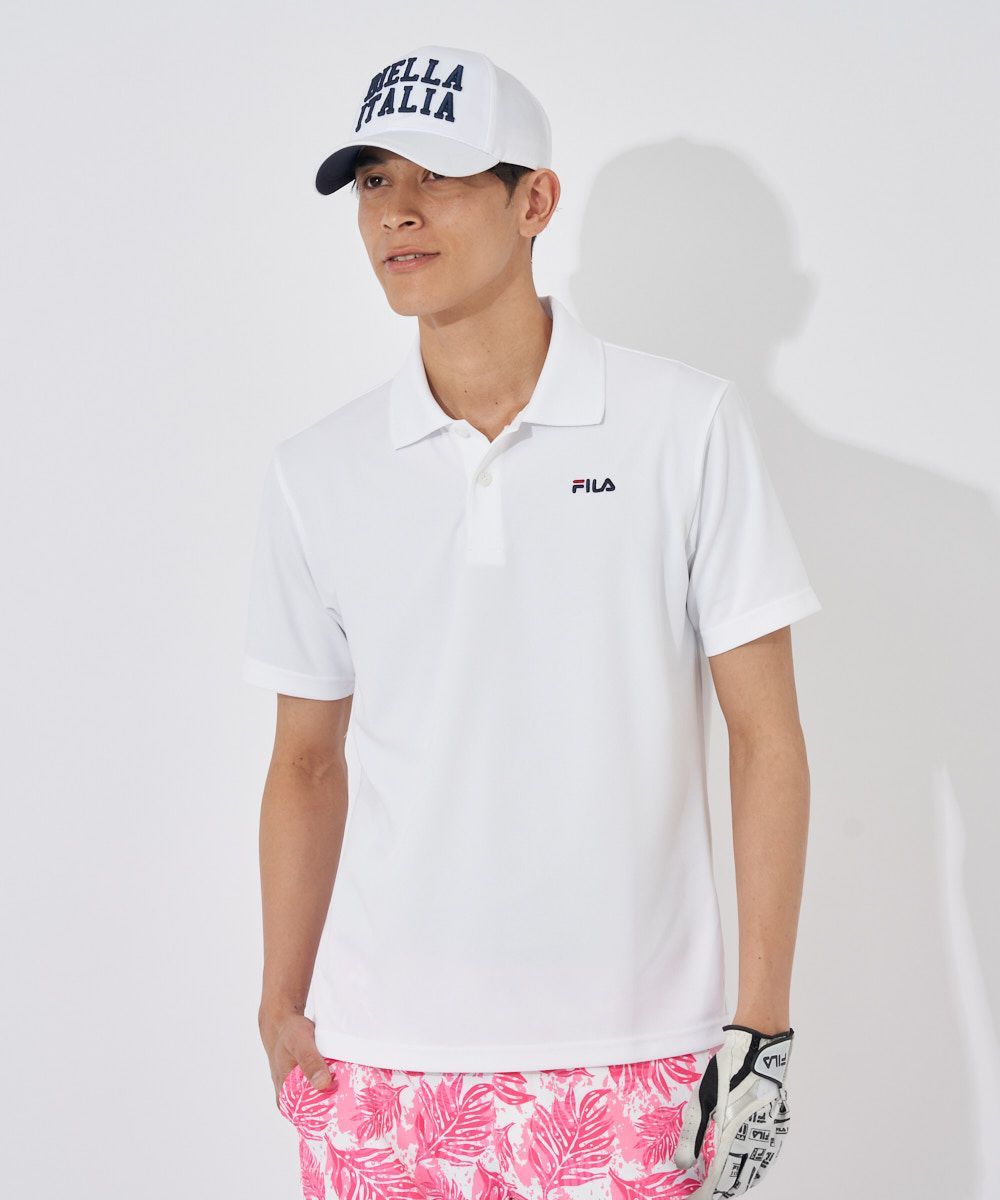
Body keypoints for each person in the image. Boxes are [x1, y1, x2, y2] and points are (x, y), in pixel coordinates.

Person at [242, 43, 820, 1200]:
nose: (397, 212)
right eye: (373, 182)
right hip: (378, 1065)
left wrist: (760, 1025)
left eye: (440, 177)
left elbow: (764, 736)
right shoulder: (318, 470)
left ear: (535, 200)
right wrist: (279, 998)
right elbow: (305, 761)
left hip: (637, 1054)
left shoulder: (682, 428)